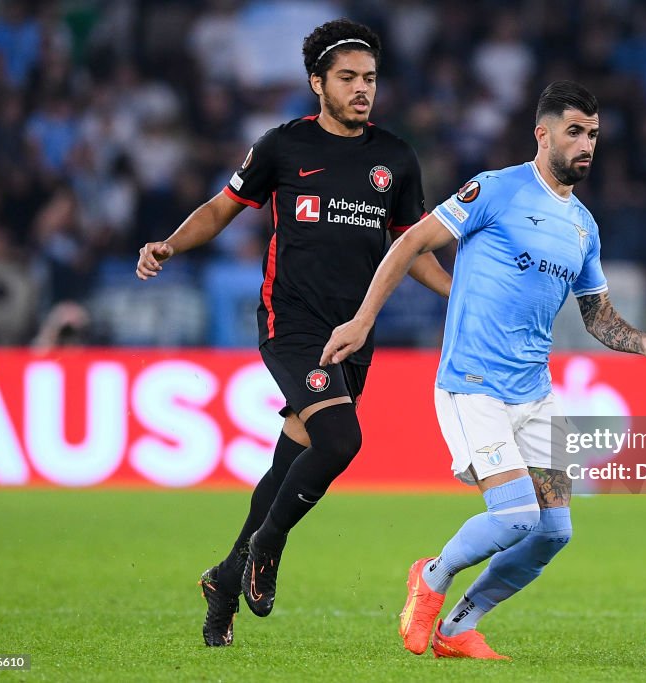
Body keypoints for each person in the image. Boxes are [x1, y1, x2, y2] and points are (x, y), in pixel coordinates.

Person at [321, 81, 646, 659]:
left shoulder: (583, 226)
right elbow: (410, 241)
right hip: (473, 384)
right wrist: (362, 322)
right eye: (574, 132)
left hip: (534, 392)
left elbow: (596, 314)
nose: (586, 144)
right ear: (542, 135)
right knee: (514, 517)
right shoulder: (495, 190)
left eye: (593, 134)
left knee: (554, 532)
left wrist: (642, 342)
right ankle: (431, 577)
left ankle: (460, 626)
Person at [135, 19, 451, 647]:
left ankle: (224, 581)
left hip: (354, 332)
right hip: (291, 323)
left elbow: (410, 246)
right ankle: (266, 549)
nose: (363, 90)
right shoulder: (282, 147)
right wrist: (170, 244)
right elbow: (222, 208)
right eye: (348, 79)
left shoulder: (394, 157)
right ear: (317, 83)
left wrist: (456, 292)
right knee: (339, 440)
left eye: (370, 79)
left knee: (294, 456)